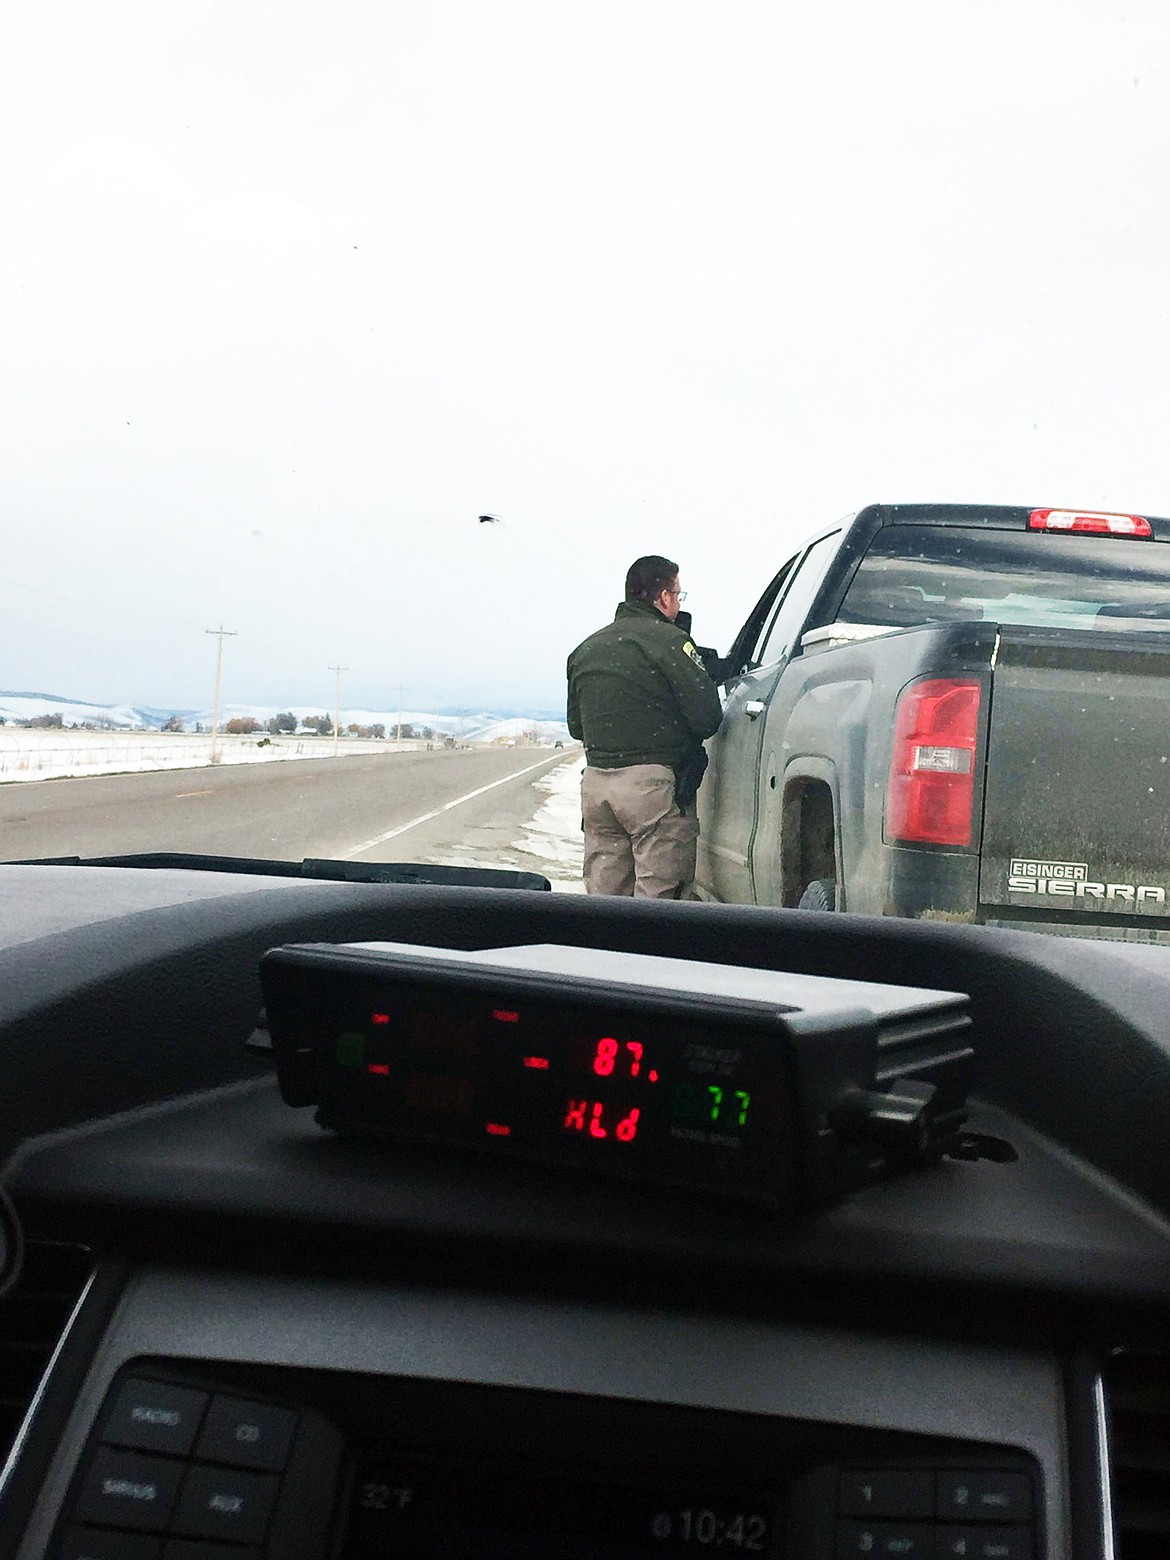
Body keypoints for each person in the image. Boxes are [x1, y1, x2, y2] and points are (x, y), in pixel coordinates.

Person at [566, 555, 723, 898]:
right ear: (664, 596)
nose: (679, 603)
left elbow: (577, 728)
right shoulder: (669, 641)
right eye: (678, 595)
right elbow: (708, 718)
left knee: (605, 900)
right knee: (659, 903)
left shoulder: (585, 650)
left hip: (597, 789)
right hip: (651, 790)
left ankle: (605, 953)